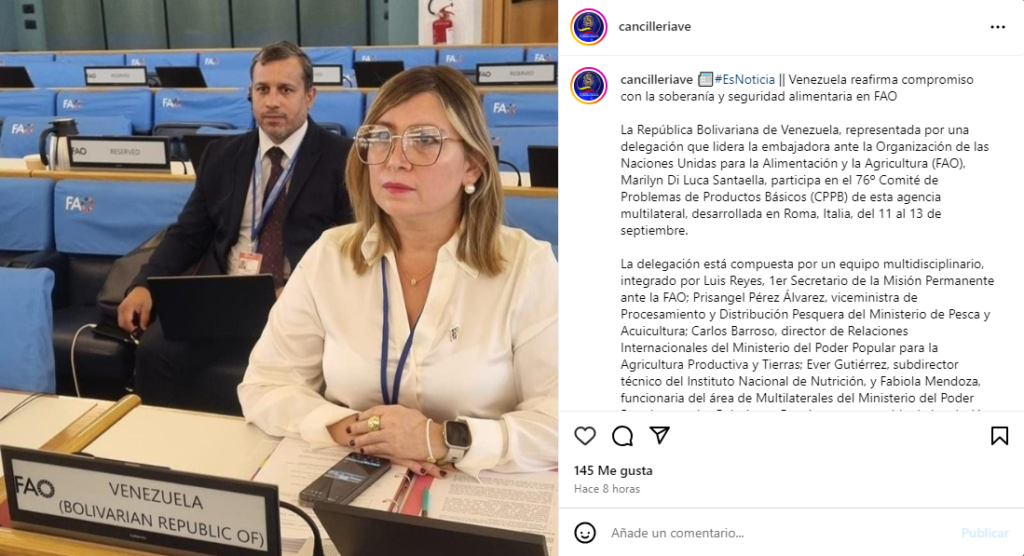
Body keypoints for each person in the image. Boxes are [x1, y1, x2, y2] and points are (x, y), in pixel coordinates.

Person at [238, 65, 557, 477]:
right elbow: (264, 385)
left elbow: (564, 420)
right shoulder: (330, 256)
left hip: (479, 490)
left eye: (424, 141)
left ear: (473, 166)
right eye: (381, 138)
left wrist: (438, 439)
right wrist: (362, 431)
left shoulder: (527, 267)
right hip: (356, 476)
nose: (395, 161)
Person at [117, 41, 354, 412]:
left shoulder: (343, 158)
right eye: (262, 89)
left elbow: (354, 244)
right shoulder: (222, 155)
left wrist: (299, 289)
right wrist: (143, 284)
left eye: (285, 90)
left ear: (309, 97)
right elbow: (187, 234)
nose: (272, 102)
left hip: (299, 300)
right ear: (250, 94)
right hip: (225, 296)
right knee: (155, 352)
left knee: (284, 387)